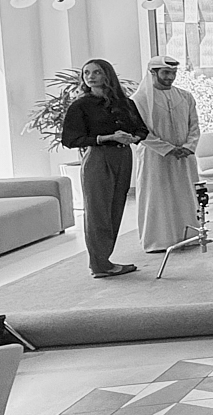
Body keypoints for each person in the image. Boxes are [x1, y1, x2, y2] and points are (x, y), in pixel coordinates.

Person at [60, 59, 148, 278]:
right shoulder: (81, 105)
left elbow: (141, 129)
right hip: (98, 158)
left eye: (96, 72)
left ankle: (105, 260)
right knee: (98, 211)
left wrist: (133, 137)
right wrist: (107, 137)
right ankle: (99, 264)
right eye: (87, 73)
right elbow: (70, 139)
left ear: (107, 75)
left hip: (123, 156)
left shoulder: (125, 103)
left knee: (116, 208)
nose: (90, 77)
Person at [132, 56, 201, 253]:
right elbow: (140, 132)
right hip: (154, 158)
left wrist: (188, 146)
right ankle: (158, 241)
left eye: (173, 73)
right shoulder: (138, 100)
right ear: (153, 73)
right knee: (157, 196)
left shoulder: (185, 96)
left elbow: (194, 125)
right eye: (166, 73)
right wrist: (167, 149)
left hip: (184, 156)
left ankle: (189, 235)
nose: (170, 77)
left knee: (185, 194)